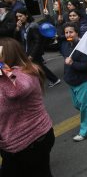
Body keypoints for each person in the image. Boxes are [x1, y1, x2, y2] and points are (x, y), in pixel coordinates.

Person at [0, 37, 54, 177]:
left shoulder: (24, 72)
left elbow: (17, 90)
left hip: (32, 140)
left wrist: (3, 67)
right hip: (12, 144)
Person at [14, 8, 61, 88]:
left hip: (34, 51)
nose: (19, 18)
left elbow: (37, 42)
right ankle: (51, 80)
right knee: (38, 67)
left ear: (26, 15)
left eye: (21, 16)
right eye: (17, 17)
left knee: (39, 67)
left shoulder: (33, 26)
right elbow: (18, 39)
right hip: (27, 51)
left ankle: (54, 79)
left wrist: (32, 55)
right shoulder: (22, 26)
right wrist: (17, 29)